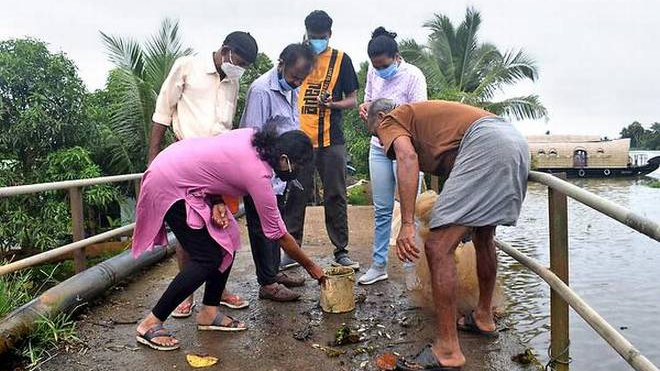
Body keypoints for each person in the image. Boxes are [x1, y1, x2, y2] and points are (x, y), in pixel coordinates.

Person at [366, 99, 529, 370]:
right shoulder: (428, 122)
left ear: (381, 117)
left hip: (486, 143)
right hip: (513, 141)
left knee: (438, 246)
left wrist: (407, 223)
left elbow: (407, 158)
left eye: (377, 136)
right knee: (483, 236)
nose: (384, 143)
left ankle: (448, 350)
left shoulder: (391, 119)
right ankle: (483, 317)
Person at [132, 128, 325, 351]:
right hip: (168, 181)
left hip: (184, 175)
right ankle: (151, 323)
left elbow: (213, 160)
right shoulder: (258, 174)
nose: (297, 173)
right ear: (284, 160)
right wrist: (312, 267)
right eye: (297, 167)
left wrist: (216, 200)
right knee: (207, 257)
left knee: (227, 240)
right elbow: (277, 233)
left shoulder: (254, 137)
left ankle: (209, 312)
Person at [147, 31, 258, 315]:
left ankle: (217, 291)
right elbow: (162, 112)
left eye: (245, 65)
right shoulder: (187, 66)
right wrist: (153, 161)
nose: (240, 68)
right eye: (239, 61)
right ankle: (186, 293)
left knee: (221, 226)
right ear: (225, 50)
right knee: (190, 230)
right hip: (186, 163)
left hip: (219, 166)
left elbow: (225, 125)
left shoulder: (233, 81)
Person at [239, 43, 316, 301]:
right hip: (261, 173)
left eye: (301, 79)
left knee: (276, 223)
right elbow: (252, 137)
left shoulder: (290, 88)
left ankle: (275, 272)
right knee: (263, 229)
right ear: (281, 63)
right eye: (294, 77)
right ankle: (267, 283)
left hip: (282, 172)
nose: (297, 83)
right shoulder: (261, 91)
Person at [284, 10, 360, 270]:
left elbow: (353, 99)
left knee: (336, 195)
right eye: (314, 37)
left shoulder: (341, 59)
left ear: (330, 34)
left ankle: (341, 251)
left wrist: (334, 104)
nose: (318, 41)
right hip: (298, 141)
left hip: (332, 139)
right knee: (296, 194)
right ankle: (291, 250)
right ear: (306, 34)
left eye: (323, 37)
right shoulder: (294, 57)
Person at [357, 27, 428, 285]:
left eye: (384, 65)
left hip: (405, 150)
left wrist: (391, 114)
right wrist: (366, 109)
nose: (379, 71)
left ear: (396, 57)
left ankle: (412, 268)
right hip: (378, 146)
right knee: (382, 209)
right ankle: (378, 264)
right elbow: (367, 101)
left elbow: (419, 116)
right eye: (375, 67)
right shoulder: (373, 72)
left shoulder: (413, 76)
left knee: (412, 211)